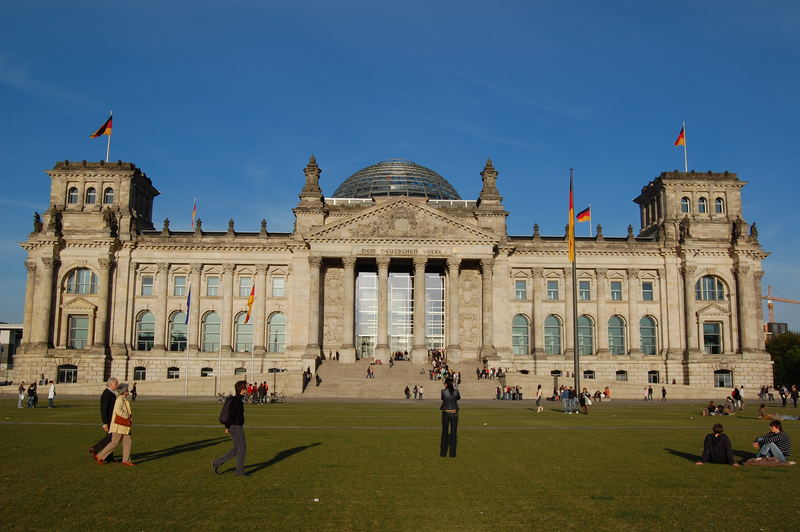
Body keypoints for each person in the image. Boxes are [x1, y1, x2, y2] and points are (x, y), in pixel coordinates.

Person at [212, 380, 249, 477]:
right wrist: (227, 427)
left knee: (238, 448)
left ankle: (217, 462)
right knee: (242, 448)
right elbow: (231, 415)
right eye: (246, 388)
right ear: (242, 390)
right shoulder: (237, 400)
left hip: (236, 426)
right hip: (236, 427)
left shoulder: (239, 399)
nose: (247, 389)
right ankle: (239, 471)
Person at [95, 383, 134, 466]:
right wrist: (127, 416)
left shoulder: (123, 399)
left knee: (128, 442)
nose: (128, 391)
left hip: (125, 426)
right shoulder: (119, 399)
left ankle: (126, 460)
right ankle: (100, 456)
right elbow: (118, 411)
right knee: (115, 443)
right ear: (124, 391)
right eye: (127, 390)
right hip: (119, 426)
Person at [89, 378, 119, 462]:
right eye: (115, 384)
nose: (117, 385)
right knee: (110, 438)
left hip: (112, 419)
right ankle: (94, 448)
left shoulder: (111, 393)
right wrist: (105, 423)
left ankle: (109, 457)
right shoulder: (106, 394)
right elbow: (104, 409)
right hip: (108, 420)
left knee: (110, 439)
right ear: (110, 384)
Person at [440, 377, 460, 458]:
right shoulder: (456, 391)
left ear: (446, 384)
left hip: (445, 413)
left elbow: (443, 399)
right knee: (453, 434)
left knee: (444, 433)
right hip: (454, 413)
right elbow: (458, 398)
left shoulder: (443, 391)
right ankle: (452, 454)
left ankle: (443, 453)